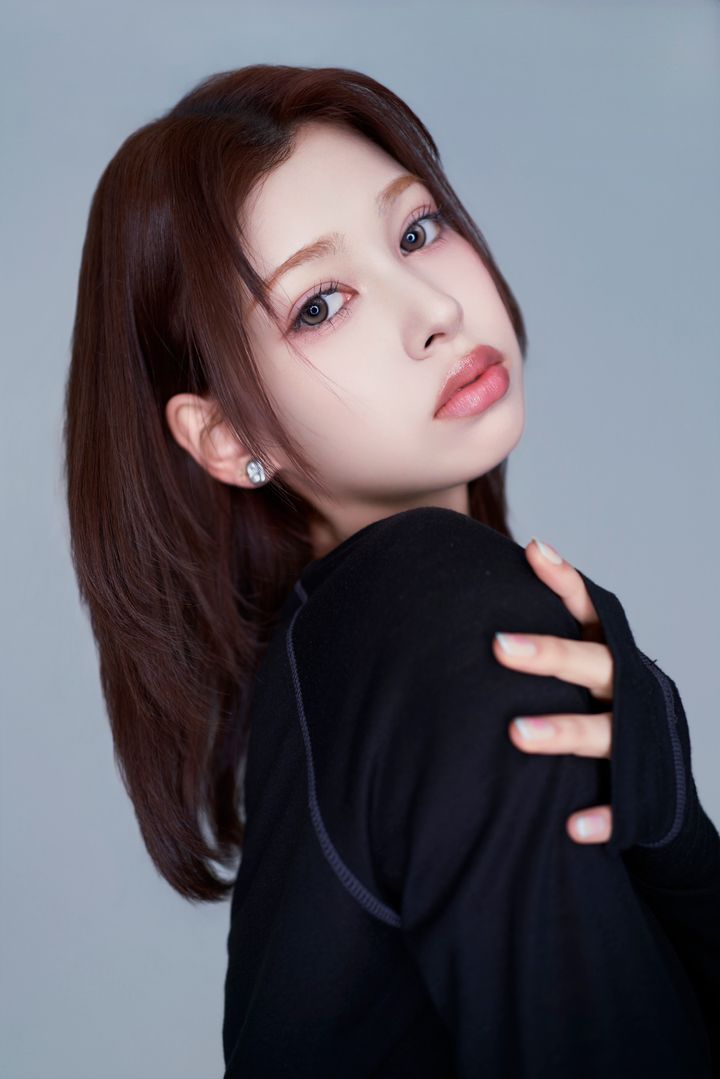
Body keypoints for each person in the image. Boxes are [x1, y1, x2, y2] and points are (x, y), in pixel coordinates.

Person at [62, 64, 719, 1075]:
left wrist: (669, 822)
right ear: (228, 435)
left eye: (417, 231)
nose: (434, 309)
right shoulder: (441, 612)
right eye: (321, 303)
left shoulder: (339, 665)